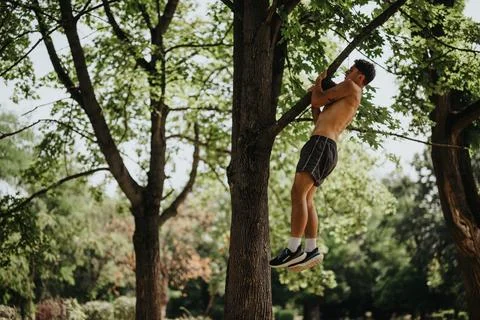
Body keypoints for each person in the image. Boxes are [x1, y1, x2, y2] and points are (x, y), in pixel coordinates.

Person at [269, 59, 376, 272]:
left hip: (320, 145)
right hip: (326, 147)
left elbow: (316, 100)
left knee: (297, 194)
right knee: (307, 199)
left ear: (360, 77)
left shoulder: (351, 86)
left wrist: (318, 83)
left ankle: (293, 249)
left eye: (352, 69)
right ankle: (311, 249)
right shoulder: (348, 97)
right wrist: (317, 94)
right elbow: (317, 114)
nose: (347, 71)